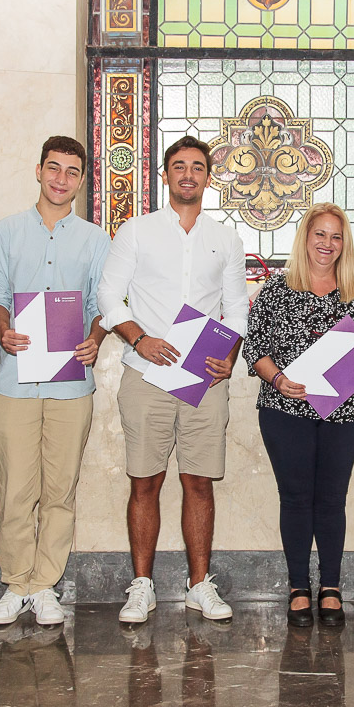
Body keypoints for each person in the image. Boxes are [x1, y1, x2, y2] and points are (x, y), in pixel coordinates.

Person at [97, 135, 248, 623]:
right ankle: (141, 586)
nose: (188, 174)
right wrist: (139, 339)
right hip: (147, 373)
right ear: (165, 176)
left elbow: (236, 309)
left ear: (208, 177)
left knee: (199, 481)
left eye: (197, 167)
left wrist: (229, 355)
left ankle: (199, 585)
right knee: (145, 481)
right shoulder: (136, 231)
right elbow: (108, 296)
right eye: (179, 166)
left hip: (204, 376)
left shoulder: (225, 239)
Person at [0, 136, 110, 627]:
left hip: (71, 384)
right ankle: (17, 583)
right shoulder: (6, 231)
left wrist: (96, 337)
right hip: (16, 381)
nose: (61, 179)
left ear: (81, 180)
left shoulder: (96, 240)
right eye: (53, 168)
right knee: (15, 488)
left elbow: (101, 303)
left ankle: (45, 586)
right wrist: (3, 329)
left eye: (72, 171)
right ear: (38, 171)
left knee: (60, 490)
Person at [243, 202, 354, 627]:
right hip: (285, 409)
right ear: (305, 238)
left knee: (331, 499)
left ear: (345, 244)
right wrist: (277, 379)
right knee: (294, 498)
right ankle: (297, 587)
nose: (327, 243)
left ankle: (330, 586)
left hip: (346, 413)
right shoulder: (276, 288)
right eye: (320, 234)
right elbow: (255, 349)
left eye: (336, 236)